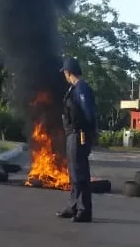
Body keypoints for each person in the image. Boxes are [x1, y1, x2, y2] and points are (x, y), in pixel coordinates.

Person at [56, 57, 97, 223]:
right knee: (73, 173)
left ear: (68, 72)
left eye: (64, 73)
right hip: (72, 134)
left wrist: (88, 133)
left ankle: (84, 210)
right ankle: (73, 206)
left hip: (79, 134)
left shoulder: (81, 88)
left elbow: (89, 113)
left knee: (80, 173)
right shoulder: (74, 89)